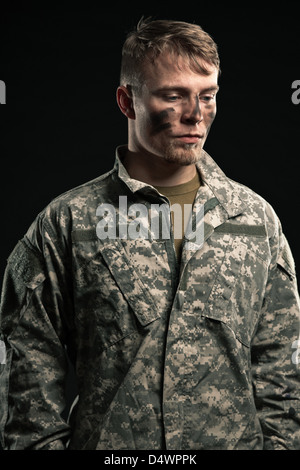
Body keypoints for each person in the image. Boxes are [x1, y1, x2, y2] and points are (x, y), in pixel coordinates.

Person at [0, 18, 299, 451]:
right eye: (173, 96)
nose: (196, 114)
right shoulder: (67, 224)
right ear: (127, 101)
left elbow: (282, 370)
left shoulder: (255, 221)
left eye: (208, 96)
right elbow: (26, 375)